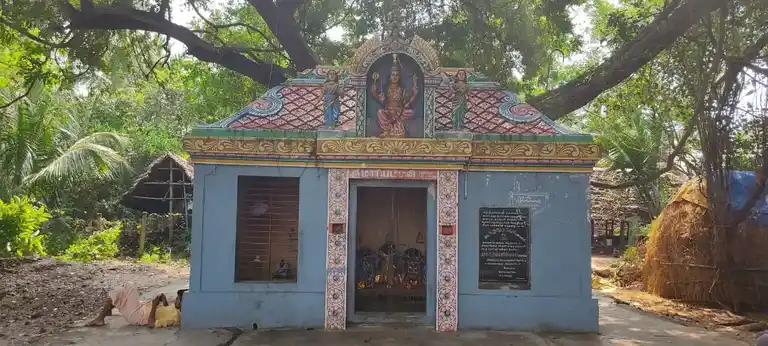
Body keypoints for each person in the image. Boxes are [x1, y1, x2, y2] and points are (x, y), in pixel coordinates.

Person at [86, 283, 186, 328]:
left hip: (139, 316)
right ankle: (101, 318)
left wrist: (154, 306)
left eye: (178, 299)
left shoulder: (175, 317)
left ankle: (103, 315)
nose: (175, 300)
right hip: (141, 309)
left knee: (129, 287)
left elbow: (151, 324)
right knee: (121, 294)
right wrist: (163, 300)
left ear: (184, 303)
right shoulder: (176, 310)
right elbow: (165, 311)